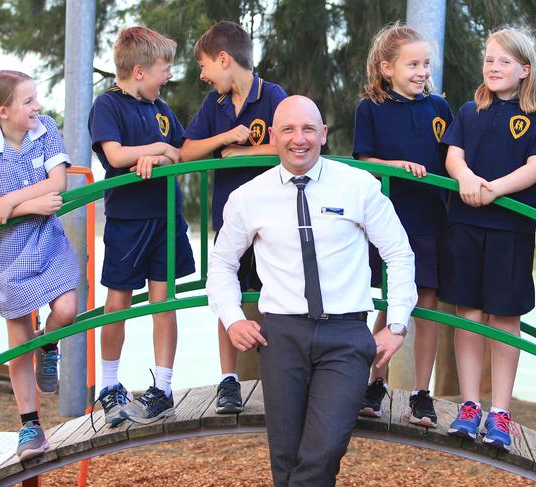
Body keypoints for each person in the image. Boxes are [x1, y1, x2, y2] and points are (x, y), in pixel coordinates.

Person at [207, 95, 417, 486]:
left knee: (324, 449)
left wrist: (398, 324)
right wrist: (233, 318)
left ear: (323, 134)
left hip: (347, 336)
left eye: (308, 129)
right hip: (282, 336)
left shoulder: (358, 186)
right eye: (287, 129)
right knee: (285, 457)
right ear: (273, 136)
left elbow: (399, 255)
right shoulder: (249, 196)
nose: (298, 139)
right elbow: (221, 264)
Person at [440, 28, 536, 450]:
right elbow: (453, 155)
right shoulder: (469, 111)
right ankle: (470, 406)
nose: (493, 67)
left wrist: (494, 189)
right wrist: (469, 179)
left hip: (510, 229)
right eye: (489, 59)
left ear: (524, 70)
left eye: (504, 61)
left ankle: (501, 411)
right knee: (468, 313)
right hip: (466, 225)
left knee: (505, 316)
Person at [0, 70, 80, 460]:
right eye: (28, 101)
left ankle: (51, 343)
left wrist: (12, 202)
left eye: (36, 99)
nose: (37, 106)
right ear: (4, 111)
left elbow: (57, 181)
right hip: (11, 252)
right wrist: (24, 205)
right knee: (18, 344)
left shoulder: (44, 129)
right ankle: (30, 425)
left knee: (67, 309)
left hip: (48, 241)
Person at [88, 26, 195, 427]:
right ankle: (109, 386)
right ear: (138, 71)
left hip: (166, 218)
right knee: (118, 303)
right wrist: (157, 149)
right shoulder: (108, 106)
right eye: (164, 69)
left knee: (162, 304)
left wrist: (165, 156)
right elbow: (115, 155)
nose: (168, 77)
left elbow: (180, 153)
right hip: (127, 222)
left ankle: (163, 387)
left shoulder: (161, 110)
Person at [181, 20, 287, 414]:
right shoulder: (216, 105)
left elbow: (287, 145)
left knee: (275, 298)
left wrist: (241, 154)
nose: (203, 75)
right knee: (227, 294)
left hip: (273, 221)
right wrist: (224, 138)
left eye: (205, 65)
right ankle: (228, 380)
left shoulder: (273, 95)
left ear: (225, 59)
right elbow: (187, 150)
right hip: (229, 222)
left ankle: (279, 375)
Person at [353, 23, 453, 426]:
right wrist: (393, 167)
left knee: (426, 307)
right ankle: (374, 384)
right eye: (412, 63)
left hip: (430, 222)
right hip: (386, 224)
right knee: (386, 304)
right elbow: (362, 161)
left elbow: (454, 159)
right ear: (386, 67)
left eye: (426, 63)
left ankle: (421, 393)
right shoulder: (370, 109)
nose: (421, 71)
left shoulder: (439, 110)